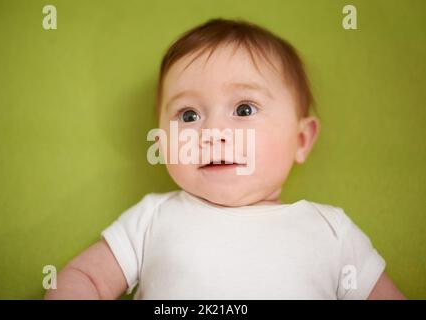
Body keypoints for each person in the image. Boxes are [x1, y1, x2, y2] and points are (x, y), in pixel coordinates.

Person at [44, 18, 405, 300]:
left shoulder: (331, 231)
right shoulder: (152, 218)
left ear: (300, 139)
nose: (213, 131)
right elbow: (84, 278)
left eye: (244, 109)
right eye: (188, 115)